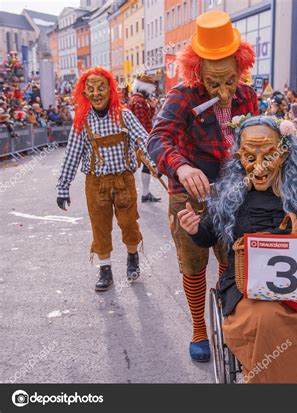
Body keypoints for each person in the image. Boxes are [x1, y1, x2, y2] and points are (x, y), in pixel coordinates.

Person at [177, 115, 297, 383]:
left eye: (268, 157)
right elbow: (206, 236)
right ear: (239, 156)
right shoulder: (231, 194)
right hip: (247, 285)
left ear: (284, 154)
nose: (259, 166)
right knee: (268, 321)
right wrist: (193, 228)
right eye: (249, 157)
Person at [147, 11, 258, 362]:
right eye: (215, 84)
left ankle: (227, 320)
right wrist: (180, 166)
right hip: (190, 192)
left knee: (234, 259)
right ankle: (198, 327)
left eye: (230, 81)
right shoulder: (181, 95)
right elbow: (157, 139)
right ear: (198, 72)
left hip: (234, 190)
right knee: (193, 263)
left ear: (240, 67)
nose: (224, 92)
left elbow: (260, 136)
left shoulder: (248, 96)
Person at [56, 66, 158, 292]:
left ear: (110, 90)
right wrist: (63, 187)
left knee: (129, 224)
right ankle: (105, 270)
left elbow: (144, 140)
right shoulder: (82, 122)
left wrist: (157, 165)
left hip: (124, 181)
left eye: (100, 87)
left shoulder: (124, 115)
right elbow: (72, 154)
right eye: (90, 89)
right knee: (100, 227)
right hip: (96, 184)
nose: (96, 93)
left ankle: (133, 258)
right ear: (84, 93)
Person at [129, 74, 162, 203]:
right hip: (141, 140)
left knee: (146, 166)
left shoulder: (138, 100)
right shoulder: (139, 101)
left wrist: (152, 107)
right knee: (146, 165)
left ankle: (145, 193)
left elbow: (147, 119)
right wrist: (146, 140)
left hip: (141, 139)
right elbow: (141, 124)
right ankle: (145, 193)